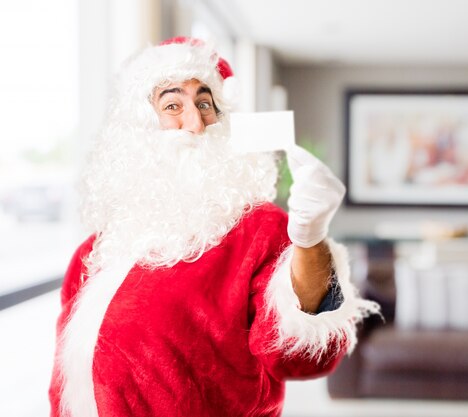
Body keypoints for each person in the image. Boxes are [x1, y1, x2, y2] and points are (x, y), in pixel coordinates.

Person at [48, 36, 379, 417]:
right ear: (136, 130)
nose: (195, 122)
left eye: (205, 103)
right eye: (172, 105)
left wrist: (310, 238)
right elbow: (63, 379)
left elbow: (303, 356)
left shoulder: (260, 229)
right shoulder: (95, 252)